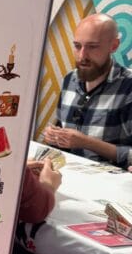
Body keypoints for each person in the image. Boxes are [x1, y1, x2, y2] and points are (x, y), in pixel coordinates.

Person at [42, 13, 132, 167]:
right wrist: (53, 136)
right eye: (77, 46)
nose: (82, 55)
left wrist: (86, 142)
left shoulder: (128, 86)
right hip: (67, 175)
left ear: (114, 46)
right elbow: (61, 132)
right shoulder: (69, 79)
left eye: (92, 47)